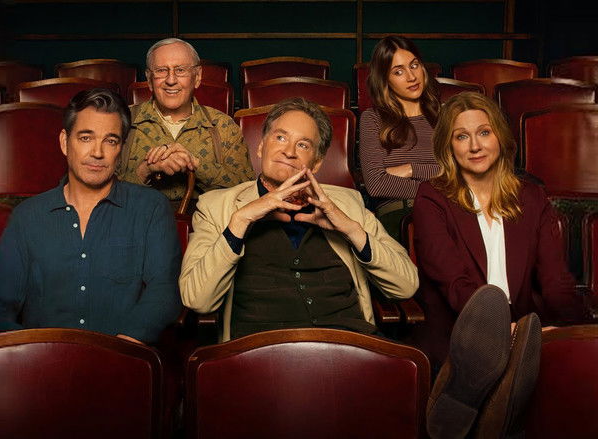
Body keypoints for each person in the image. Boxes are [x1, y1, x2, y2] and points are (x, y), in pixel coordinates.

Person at [179, 97, 418, 342]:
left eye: (303, 145)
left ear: (316, 163)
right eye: (280, 138)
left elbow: (405, 285)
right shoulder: (219, 206)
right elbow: (198, 300)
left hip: (347, 345)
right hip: (257, 354)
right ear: (261, 147)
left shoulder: (349, 203)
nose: (289, 152)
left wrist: (351, 229)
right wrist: (240, 221)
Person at [0, 88, 181, 345]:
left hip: (123, 365)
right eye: (86, 138)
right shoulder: (28, 216)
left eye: (111, 140)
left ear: (122, 150)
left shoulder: (151, 208)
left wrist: (122, 351)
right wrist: (28, 355)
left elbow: (163, 292)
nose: (97, 152)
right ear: (64, 142)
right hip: (41, 370)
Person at [407, 91, 588, 368]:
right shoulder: (432, 197)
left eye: (484, 132)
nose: (475, 146)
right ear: (449, 147)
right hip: (460, 331)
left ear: (500, 137)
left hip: (523, 328)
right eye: (462, 136)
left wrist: (576, 334)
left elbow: (556, 281)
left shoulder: (532, 197)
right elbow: (455, 284)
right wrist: (504, 330)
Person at [117, 38, 255, 202]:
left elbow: (247, 190)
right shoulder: (121, 121)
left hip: (206, 224)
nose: (171, 80)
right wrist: (144, 171)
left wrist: (195, 164)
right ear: (149, 79)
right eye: (161, 70)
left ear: (197, 77)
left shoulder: (222, 125)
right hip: (135, 220)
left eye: (180, 70)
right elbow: (97, 189)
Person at [359, 35, 442, 240]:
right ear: (385, 79)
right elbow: (377, 185)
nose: (411, 77)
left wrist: (410, 169)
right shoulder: (373, 119)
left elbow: (457, 172)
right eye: (398, 71)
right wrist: (438, 184)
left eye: (414, 65)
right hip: (398, 213)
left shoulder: (445, 116)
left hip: (444, 209)